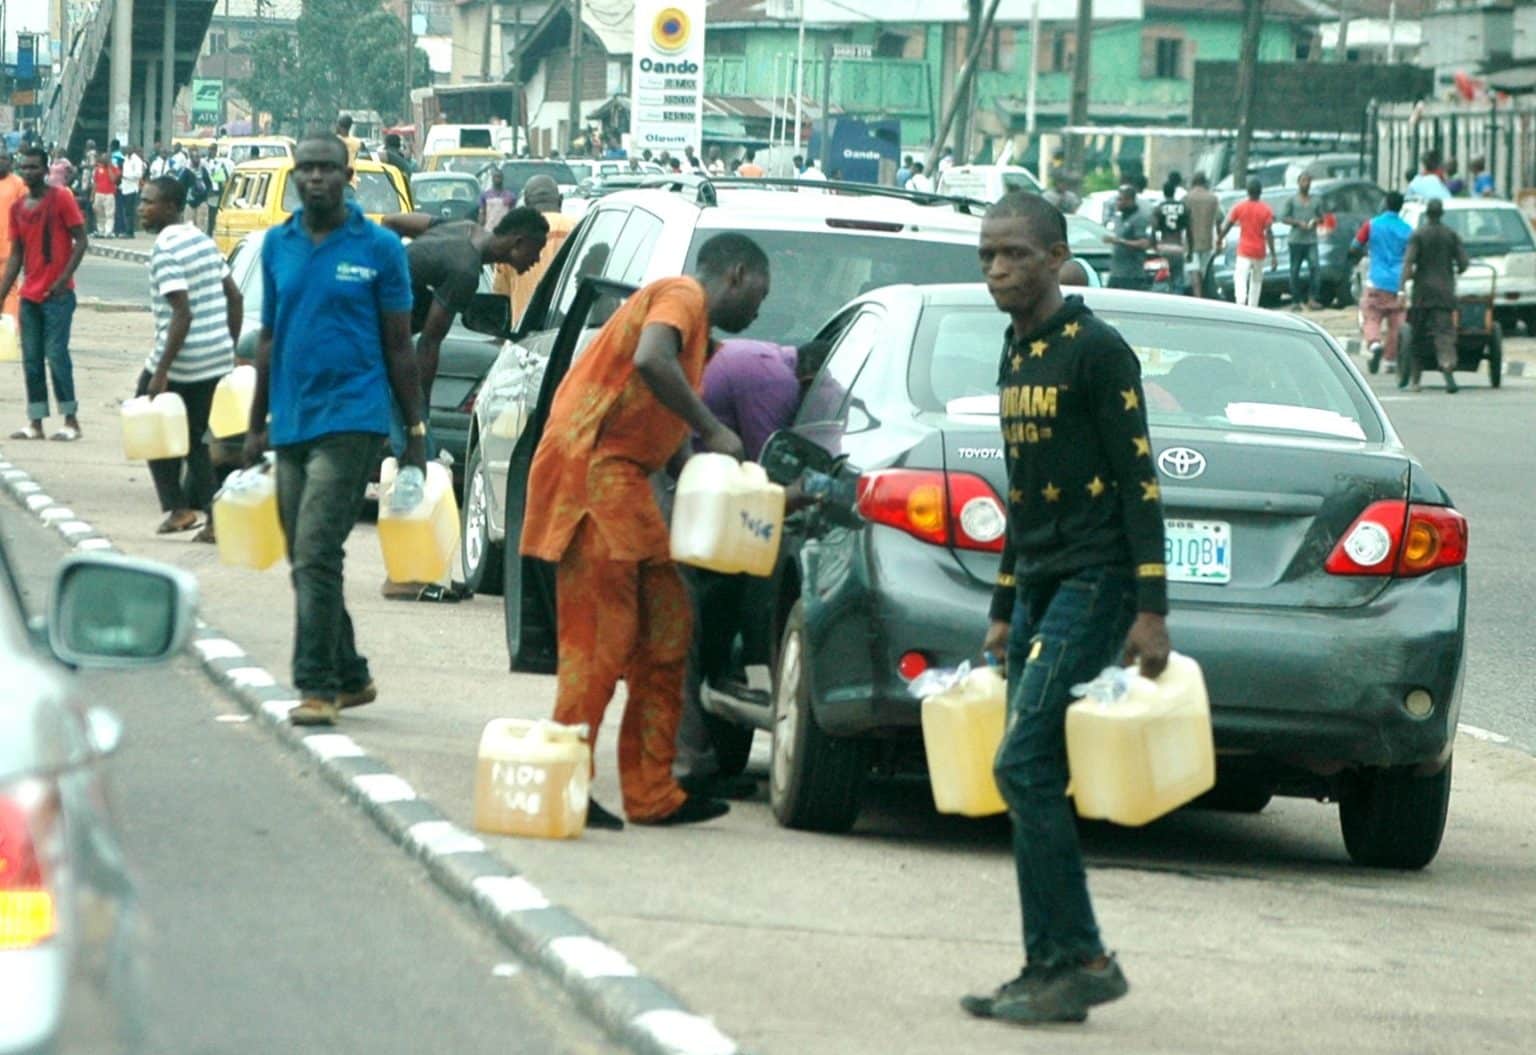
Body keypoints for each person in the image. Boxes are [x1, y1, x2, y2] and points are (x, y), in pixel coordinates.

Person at [964, 191, 1169, 1025]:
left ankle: (1082, 955)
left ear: (1055, 257)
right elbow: (1023, 489)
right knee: (1032, 770)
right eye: (986, 257)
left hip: (1097, 579)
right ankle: (1047, 964)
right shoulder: (1015, 352)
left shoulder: (1097, 351)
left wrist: (1151, 609)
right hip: (1043, 578)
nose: (997, 271)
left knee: (1019, 764)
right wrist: (1005, 604)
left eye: (1013, 255)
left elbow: (1140, 482)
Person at [519, 233, 771, 829]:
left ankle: (654, 791)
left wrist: (720, 474)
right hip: (592, 475)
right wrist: (714, 428)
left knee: (668, 631)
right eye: (759, 294)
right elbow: (649, 359)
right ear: (735, 274)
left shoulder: (700, 342)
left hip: (628, 485)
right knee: (599, 641)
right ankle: (566, 785)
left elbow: (666, 429)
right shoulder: (682, 295)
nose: (760, 311)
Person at [241, 132, 427, 727]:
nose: (316, 178)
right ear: (295, 178)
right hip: (291, 417)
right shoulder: (278, 246)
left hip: (354, 417)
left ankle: (318, 687)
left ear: (348, 177)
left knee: (318, 547)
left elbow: (400, 345)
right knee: (304, 556)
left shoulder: (379, 249)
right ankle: (351, 672)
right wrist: (254, 425)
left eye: (328, 169)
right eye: (307, 169)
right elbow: (269, 339)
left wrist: (416, 430)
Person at [674, 336, 832, 797]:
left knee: (705, 632)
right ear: (809, 380)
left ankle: (704, 762)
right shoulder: (776, 381)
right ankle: (688, 765)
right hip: (699, 507)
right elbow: (766, 480)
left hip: (701, 501)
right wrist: (802, 494)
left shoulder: (766, 362)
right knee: (697, 633)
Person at [136, 175, 242, 539]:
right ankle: (214, 518)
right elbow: (236, 297)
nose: (141, 209)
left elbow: (182, 313)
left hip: (182, 361)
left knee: (147, 421)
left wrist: (161, 371)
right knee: (195, 439)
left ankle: (179, 509)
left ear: (170, 206)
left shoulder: (165, 250)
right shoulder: (202, 238)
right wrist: (228, 346)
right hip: (213, 359)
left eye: (148, 202)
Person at [1, 147, 88, 442]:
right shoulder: (19, 208)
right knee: (31, 360)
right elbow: (16, 256)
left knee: (56, 356)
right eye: (24, 167)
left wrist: (64, 279)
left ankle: (71, 421)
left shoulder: (61, 198)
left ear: (46, 169)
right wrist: (3, 293)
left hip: (58, 296)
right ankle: (35, 422)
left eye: (35, 167)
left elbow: (81, 240)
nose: (29, 172)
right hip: (30, 295)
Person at [1401, 197, 1470, 394]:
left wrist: (1401, 287)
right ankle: (1447, 365)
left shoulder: (1418, 235)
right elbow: (1464, 263)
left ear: (1427, 214)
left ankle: (1415, 381)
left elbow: (1408, 262)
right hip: (1445, 293)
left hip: (1422, 293)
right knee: (1444, 333)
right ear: (1441, 214)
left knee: (1417, 335)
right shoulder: (1451, 235)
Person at [496, 174, 576, 327]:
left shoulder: (511, 238)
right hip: (569, 336)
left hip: (525, 337)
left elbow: (501, 301)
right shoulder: (578, 229)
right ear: (560, 200)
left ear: (526, 203)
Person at [1351, 190, 1413, 378]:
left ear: (1385, 203)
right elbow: (1412, 255)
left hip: (1376, 280)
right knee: (1396, 323)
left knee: (1371, 315)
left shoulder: (1372, 225)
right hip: (1398, 283)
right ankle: (1390, 360)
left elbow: (1354, 246)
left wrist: (1361, 255)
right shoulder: (1407, 229)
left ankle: (1375, 343)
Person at [1219, 178, 1276, 308]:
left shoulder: (1240, 207)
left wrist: (1219, 238)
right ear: (1260, 192)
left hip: (1244, 250)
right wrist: (1273, 255)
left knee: (1240, 276)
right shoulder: (1266, 210)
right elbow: (1269, 232)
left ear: (1247, 191)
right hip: (1259, 250)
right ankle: (1253, 305)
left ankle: (1240, 301)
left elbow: (1228, 225)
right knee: (1256, 279)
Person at [1280, 173, 1325, 310]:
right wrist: (1298, 223)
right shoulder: (1292, 200)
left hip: (1311, 240)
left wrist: (1316, 221)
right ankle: (1295, 301)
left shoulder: (1316, 200)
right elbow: (1284, 218)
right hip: (1296, 240)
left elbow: (1322, 218)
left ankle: (1312, 298)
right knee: (1294, 270)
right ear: (1298, 183)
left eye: (1308, 181)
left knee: (1315, 267)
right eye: (1303, 181)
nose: (1306, 183)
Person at [1104, 184, 1152, 291]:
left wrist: (1120, 241)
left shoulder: (1140, 219)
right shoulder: (1118, 217)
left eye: (1120, 200)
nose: (1117, 202)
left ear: (1129, 200)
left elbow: (1144, 243)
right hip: (1116, 272)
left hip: (1132, 275)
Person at [1183, 172, 1219, 298]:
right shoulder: (1213, 199)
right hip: (1207, 241)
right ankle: (1203, 296)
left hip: (1190, 242)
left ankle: (1197, 297)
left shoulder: (1186, 198)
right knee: (1203, 272)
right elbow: (1219, 220)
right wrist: (1219, 238)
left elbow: (1182, 221)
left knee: (1194, 271)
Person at [1151, 177, 1189, 293]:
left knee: (1162, 278)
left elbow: (1154, 228)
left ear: (1164, 192)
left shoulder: (1159, 208)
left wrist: (1154, 245)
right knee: (1178, 279)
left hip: (1164, 246)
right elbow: (1189, 230)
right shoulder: (1183, 208)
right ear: (1175, 191)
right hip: (1178, 247)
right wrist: (1190, 249)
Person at [0, 151, 25, 322]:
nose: (2, 163)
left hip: (9, 248)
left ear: (11, 163)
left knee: (9, 288)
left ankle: (9, 328)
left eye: (5, 160)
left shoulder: (18, 184)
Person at [180, 150, 213, 233]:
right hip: (189, 202)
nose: (197, 160)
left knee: (201, 225)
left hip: (202, 201)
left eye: (198, 157)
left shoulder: (203, 170)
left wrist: (206, 194)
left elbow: (209, 184)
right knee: (188, 226)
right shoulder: (187, 172)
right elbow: (181, 185)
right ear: (191, 159)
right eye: (195, 157)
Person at [478, 167, 516, 231]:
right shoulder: (485, 195)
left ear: (503, 178)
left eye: (499, 177)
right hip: (489, 230)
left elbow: (513, 215)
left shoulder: (510, 196)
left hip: (505, 230)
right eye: (495, 177)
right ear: (492, 178)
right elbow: (482, 213)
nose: (497, 179)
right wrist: (480, 228)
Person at [119, 146, 146, 238]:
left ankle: (130, 232)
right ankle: (127, 230)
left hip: (132, 188)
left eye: (127, 149)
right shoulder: (126, 159)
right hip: (125, 188)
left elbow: (139, 174)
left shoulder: (137, 160)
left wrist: (127, 177)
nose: (125, 150)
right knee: (126, 211)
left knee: (130, 212)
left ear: (132, 150)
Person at [91, 152, 119, 239]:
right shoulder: (97, 169)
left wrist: (109, 167)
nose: (104, 159)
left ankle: (108, 231)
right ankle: (101, 230)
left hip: (109, 194)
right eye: (103, 158)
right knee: (99, 213)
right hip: (99, 193)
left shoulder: (114, 168)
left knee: (109, 213)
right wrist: (92, 195)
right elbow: (95, 183)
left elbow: (113, 179)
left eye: (106, 158)